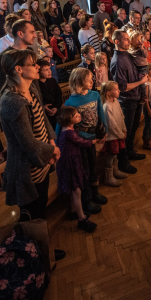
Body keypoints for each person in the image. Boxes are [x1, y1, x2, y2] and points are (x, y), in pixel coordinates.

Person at [0, 48, 60, 222]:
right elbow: (27, 142)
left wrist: (52, 142)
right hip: (27, 168)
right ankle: (31, 247)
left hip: (42, 161)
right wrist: (52, 151)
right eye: (33, 64)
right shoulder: (12, 101)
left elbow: (43, 118)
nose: (38, 67)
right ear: (18, 69)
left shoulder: (31, 88)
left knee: (42, 206)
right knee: (31, 214)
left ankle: (40, 246)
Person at [57, 67, 107, 215]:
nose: (92, 81)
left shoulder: (95, 95)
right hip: (79, 141)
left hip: (93, 138)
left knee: (92, 166)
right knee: (83, 170)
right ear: (79, 81)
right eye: (89, 79)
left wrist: (105, 130)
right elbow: (62, 122)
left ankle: (95, 192)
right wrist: (55, 142)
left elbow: (101, 114)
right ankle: (86, 199)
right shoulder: (70, 102)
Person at [110, 29, 149, 174]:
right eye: (125, 39)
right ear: (117, 41)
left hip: (135, 96)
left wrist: (143, 75)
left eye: (128, 38)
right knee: (125, 131)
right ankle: (123, 161)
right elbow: (122, 87)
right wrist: (141, 82)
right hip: (127, 100)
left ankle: (130, 151)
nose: (129, 41)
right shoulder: (118, 61)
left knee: (134, 127)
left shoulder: (127, 54)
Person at [56, 106, 97, 232]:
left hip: (72, 161)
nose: (79, 115)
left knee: (76, 189)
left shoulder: (69, 129)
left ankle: (74, 211)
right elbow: (81, 142)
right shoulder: (69, 132)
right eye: (76, 115)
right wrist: (93, 141)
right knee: (76, 191)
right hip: (70, 164)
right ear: (69, 120)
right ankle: (81, 219)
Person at [100, 80, 129, 187]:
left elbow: (121, 116)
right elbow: (111, 125)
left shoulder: (115, 101)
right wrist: (120, 134)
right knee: (111, 155)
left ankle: (115, 171)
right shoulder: (106, 106)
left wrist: (124, 129)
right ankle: (109, 177)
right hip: (112, 136)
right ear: (108, 92)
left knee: (115, 154)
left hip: (119, 133)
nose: (119, 91)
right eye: (116, 89)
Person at [37, 58, 62, 127]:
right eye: (46, 70)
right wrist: (43, 107)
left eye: (49, 68)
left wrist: (56, 107)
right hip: (44, 116)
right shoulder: (36, 85)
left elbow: (59, 95)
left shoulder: (52, 81)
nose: (49, 71)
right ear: (38, 72)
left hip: (56, 111)